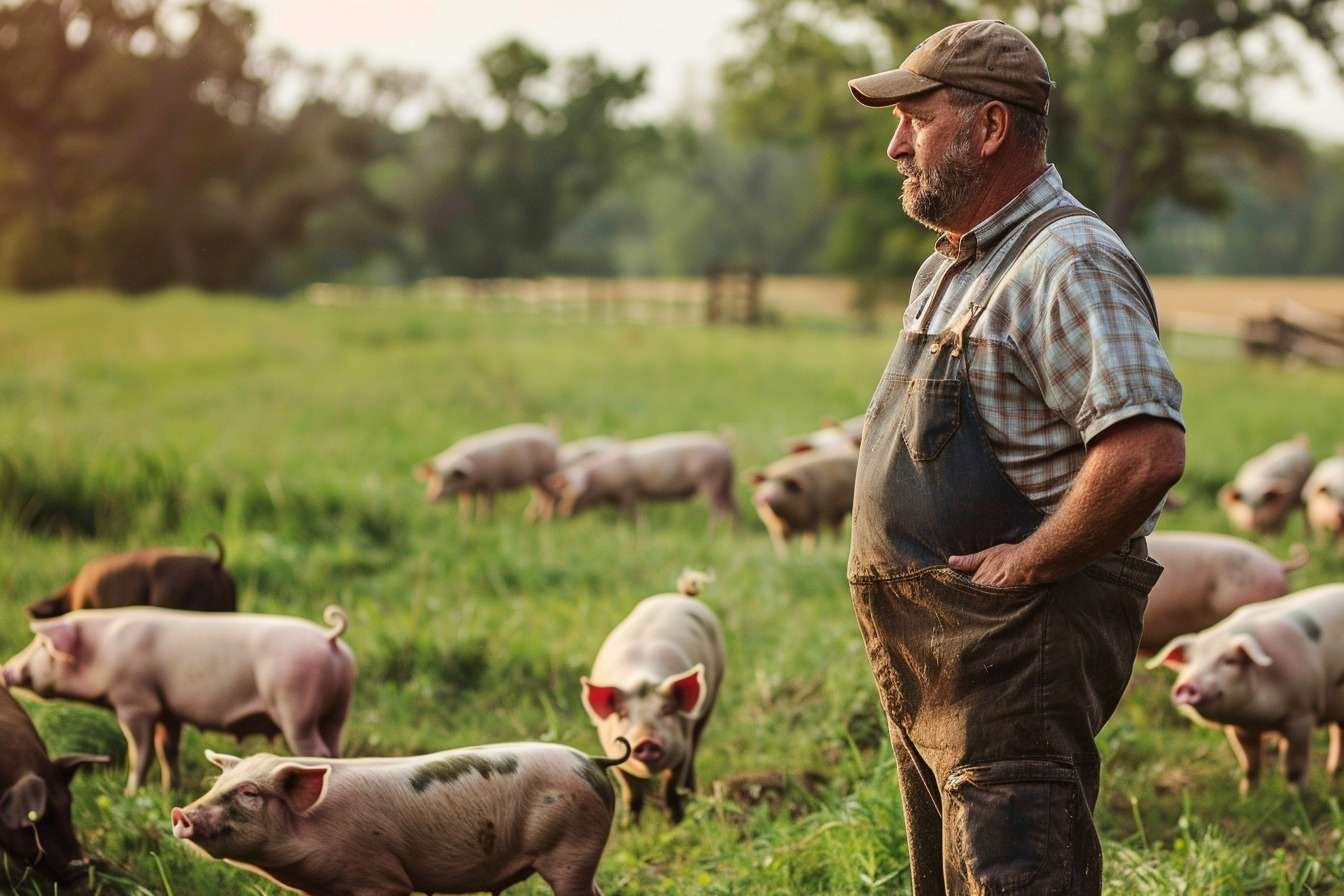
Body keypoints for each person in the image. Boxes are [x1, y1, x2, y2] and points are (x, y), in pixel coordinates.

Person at [845, 19, 1185, 895]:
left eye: (915, 120)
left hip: (1011, 659)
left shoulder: (1068, 261)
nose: (895, 146)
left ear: (990, 128)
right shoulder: (953, 264)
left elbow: (1145, 451)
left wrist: (1029, 560)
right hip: (943, 661)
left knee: (1017, 876)